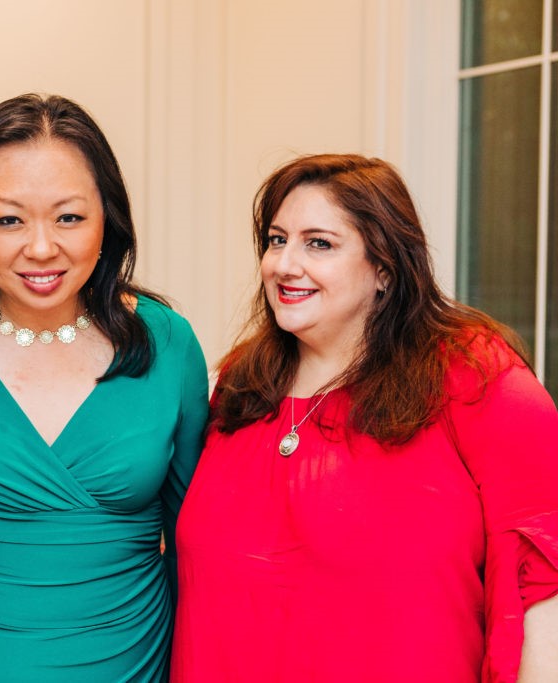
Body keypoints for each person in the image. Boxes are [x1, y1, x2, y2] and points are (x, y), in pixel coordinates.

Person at [171, 153, 558, 682]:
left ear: (384, 268)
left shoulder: (475, 377)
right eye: (277, 239)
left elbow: (543, 588)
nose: (284, 264)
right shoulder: (242, 384)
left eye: (319, 243)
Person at [0, 93, 209, 681]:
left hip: (131, 667)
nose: (41, 248)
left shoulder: (169, 345)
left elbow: (195, 543)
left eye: (69, 216)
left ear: (107, 218)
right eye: (9, 219)